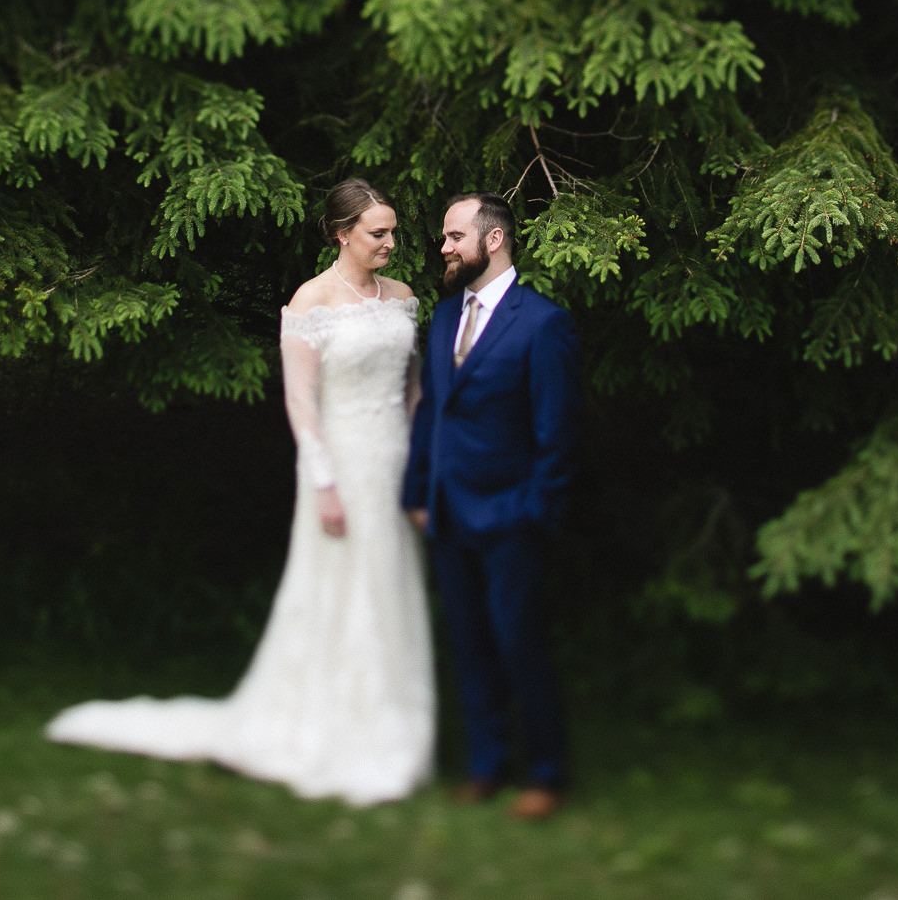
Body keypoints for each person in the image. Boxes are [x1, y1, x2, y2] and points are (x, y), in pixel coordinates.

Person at [45, 179, 434, 805]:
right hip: (340, 467)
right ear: (343, 235)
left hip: (395, 463)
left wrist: (424, 466)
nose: (391, 242)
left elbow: (414, 390)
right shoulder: (311, 303)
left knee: (390, 588)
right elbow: (301, 403)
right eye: (377, 233)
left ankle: (394, 722)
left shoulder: (404, 297)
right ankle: (330, 726)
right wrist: (325, 484)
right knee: (340, 592)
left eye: (392, 231)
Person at [403, 191, 580, 821]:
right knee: (470, 643)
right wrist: (417, 491)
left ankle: (547, 773)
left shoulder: (542, 324)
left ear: (493, 239)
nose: (444, 248)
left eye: (454, 237)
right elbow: (432, 412)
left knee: (519, 643)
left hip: (511, 518)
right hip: (448, 513)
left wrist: (535, 510)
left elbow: (556, 434)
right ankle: (486, 765)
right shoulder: (446, 319)